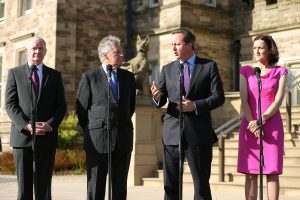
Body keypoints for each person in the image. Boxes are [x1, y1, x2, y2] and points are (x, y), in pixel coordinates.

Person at [151, 28, 225, 200]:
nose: (173, 48)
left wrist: (196, 105)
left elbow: (219, 97)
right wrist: (157, 97)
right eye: (172, 45)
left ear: (189, 45)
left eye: (177, 44)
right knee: (171, 187)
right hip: (172, 134)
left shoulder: (208, 66)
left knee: (201, 186)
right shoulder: (167, 69)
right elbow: (161, 100)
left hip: (198, 134)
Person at [5, 36, 67, 200]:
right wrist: (25, 125)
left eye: (41, 48)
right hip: (22, 139)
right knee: (24, 190)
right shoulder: (15, 73)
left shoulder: (54, 76)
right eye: (34, 48)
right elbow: (10, 104)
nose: (37, 51)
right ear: (26, 51)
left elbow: (61, 106)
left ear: (45, 51)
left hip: (46, 138)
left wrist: (50, 125)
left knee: (44, 189)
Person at [76, 35, 136, 200]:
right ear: (104, 56)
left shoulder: (128, 78)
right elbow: (81, 111)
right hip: (98, 140)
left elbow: (129, 108)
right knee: (96, 186)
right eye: (118, 52)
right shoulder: (90, 77)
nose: (122, 55)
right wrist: (94, 129)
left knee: (119, 187)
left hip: (123, 140)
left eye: (121, 52)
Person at [238, 34, 287, 200]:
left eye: (260, 47)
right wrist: (253, 122)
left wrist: (262, 119)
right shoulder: (246, 71)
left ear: (269, 50)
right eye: (254, 48)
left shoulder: (280, 72)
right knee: (251, 173)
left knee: (272, 172)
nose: (256, 51)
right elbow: (244, 100)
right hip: (250, 125)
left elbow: (278, 99)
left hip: (271, 126)